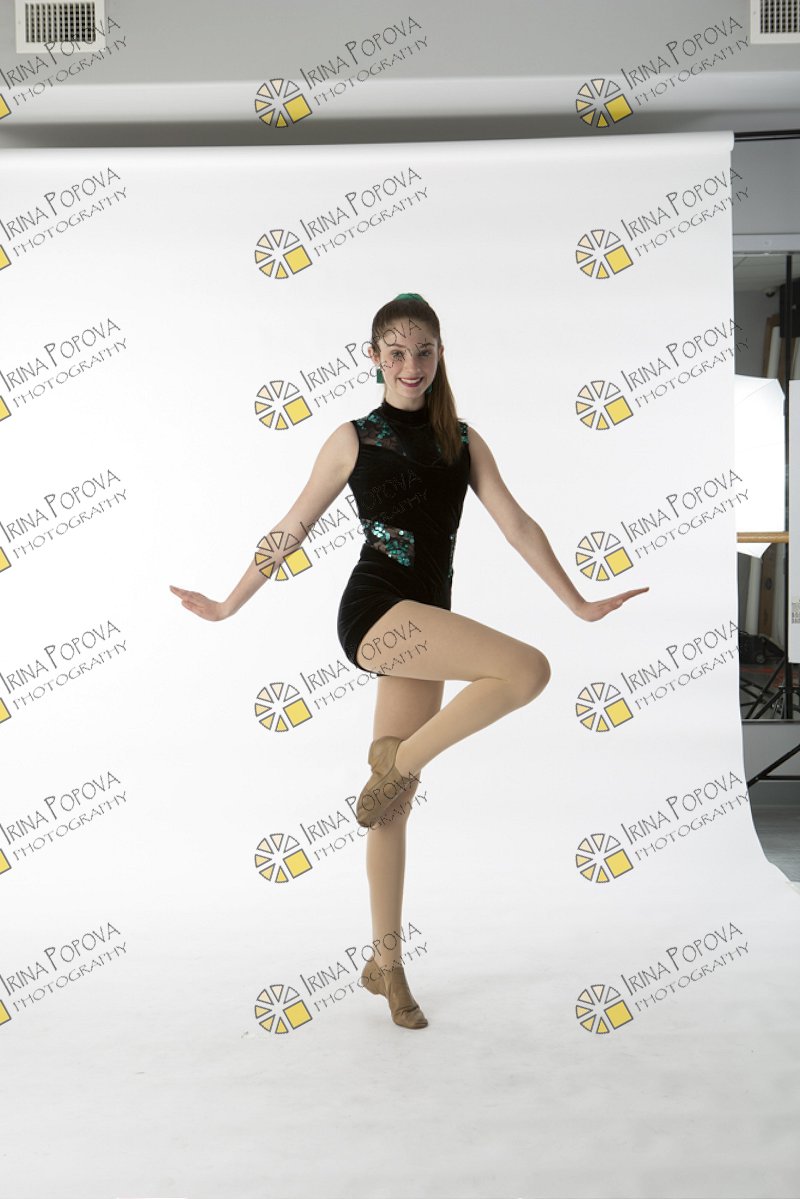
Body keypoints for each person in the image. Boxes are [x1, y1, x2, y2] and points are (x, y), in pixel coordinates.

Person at [170, 292, 648, 1031]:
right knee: (526, 670)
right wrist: (231, 602)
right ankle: (397, 765)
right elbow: (290, 528)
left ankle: (384, 963)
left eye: (423, 351)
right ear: (374, 357)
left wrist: (578, 602)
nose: (411, 365)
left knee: (392, 802)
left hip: (428, 621)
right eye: (395, 352)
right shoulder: (353, 437)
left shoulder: (463, 439)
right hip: (375, 611)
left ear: (440, 353)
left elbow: (518, 525)